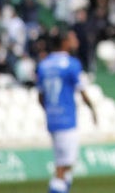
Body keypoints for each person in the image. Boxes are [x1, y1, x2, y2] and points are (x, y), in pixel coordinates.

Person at [36, 28, 97, 193]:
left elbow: (40, 97)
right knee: (63, 167)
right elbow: (82, 91)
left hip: (52, 120)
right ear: (64, 43)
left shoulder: (44, 65)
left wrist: (50, 111)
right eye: (71, 39)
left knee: (64, 164)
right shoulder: (72, 64)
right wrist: (92, 110)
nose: (74, 42)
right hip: (67, 120)